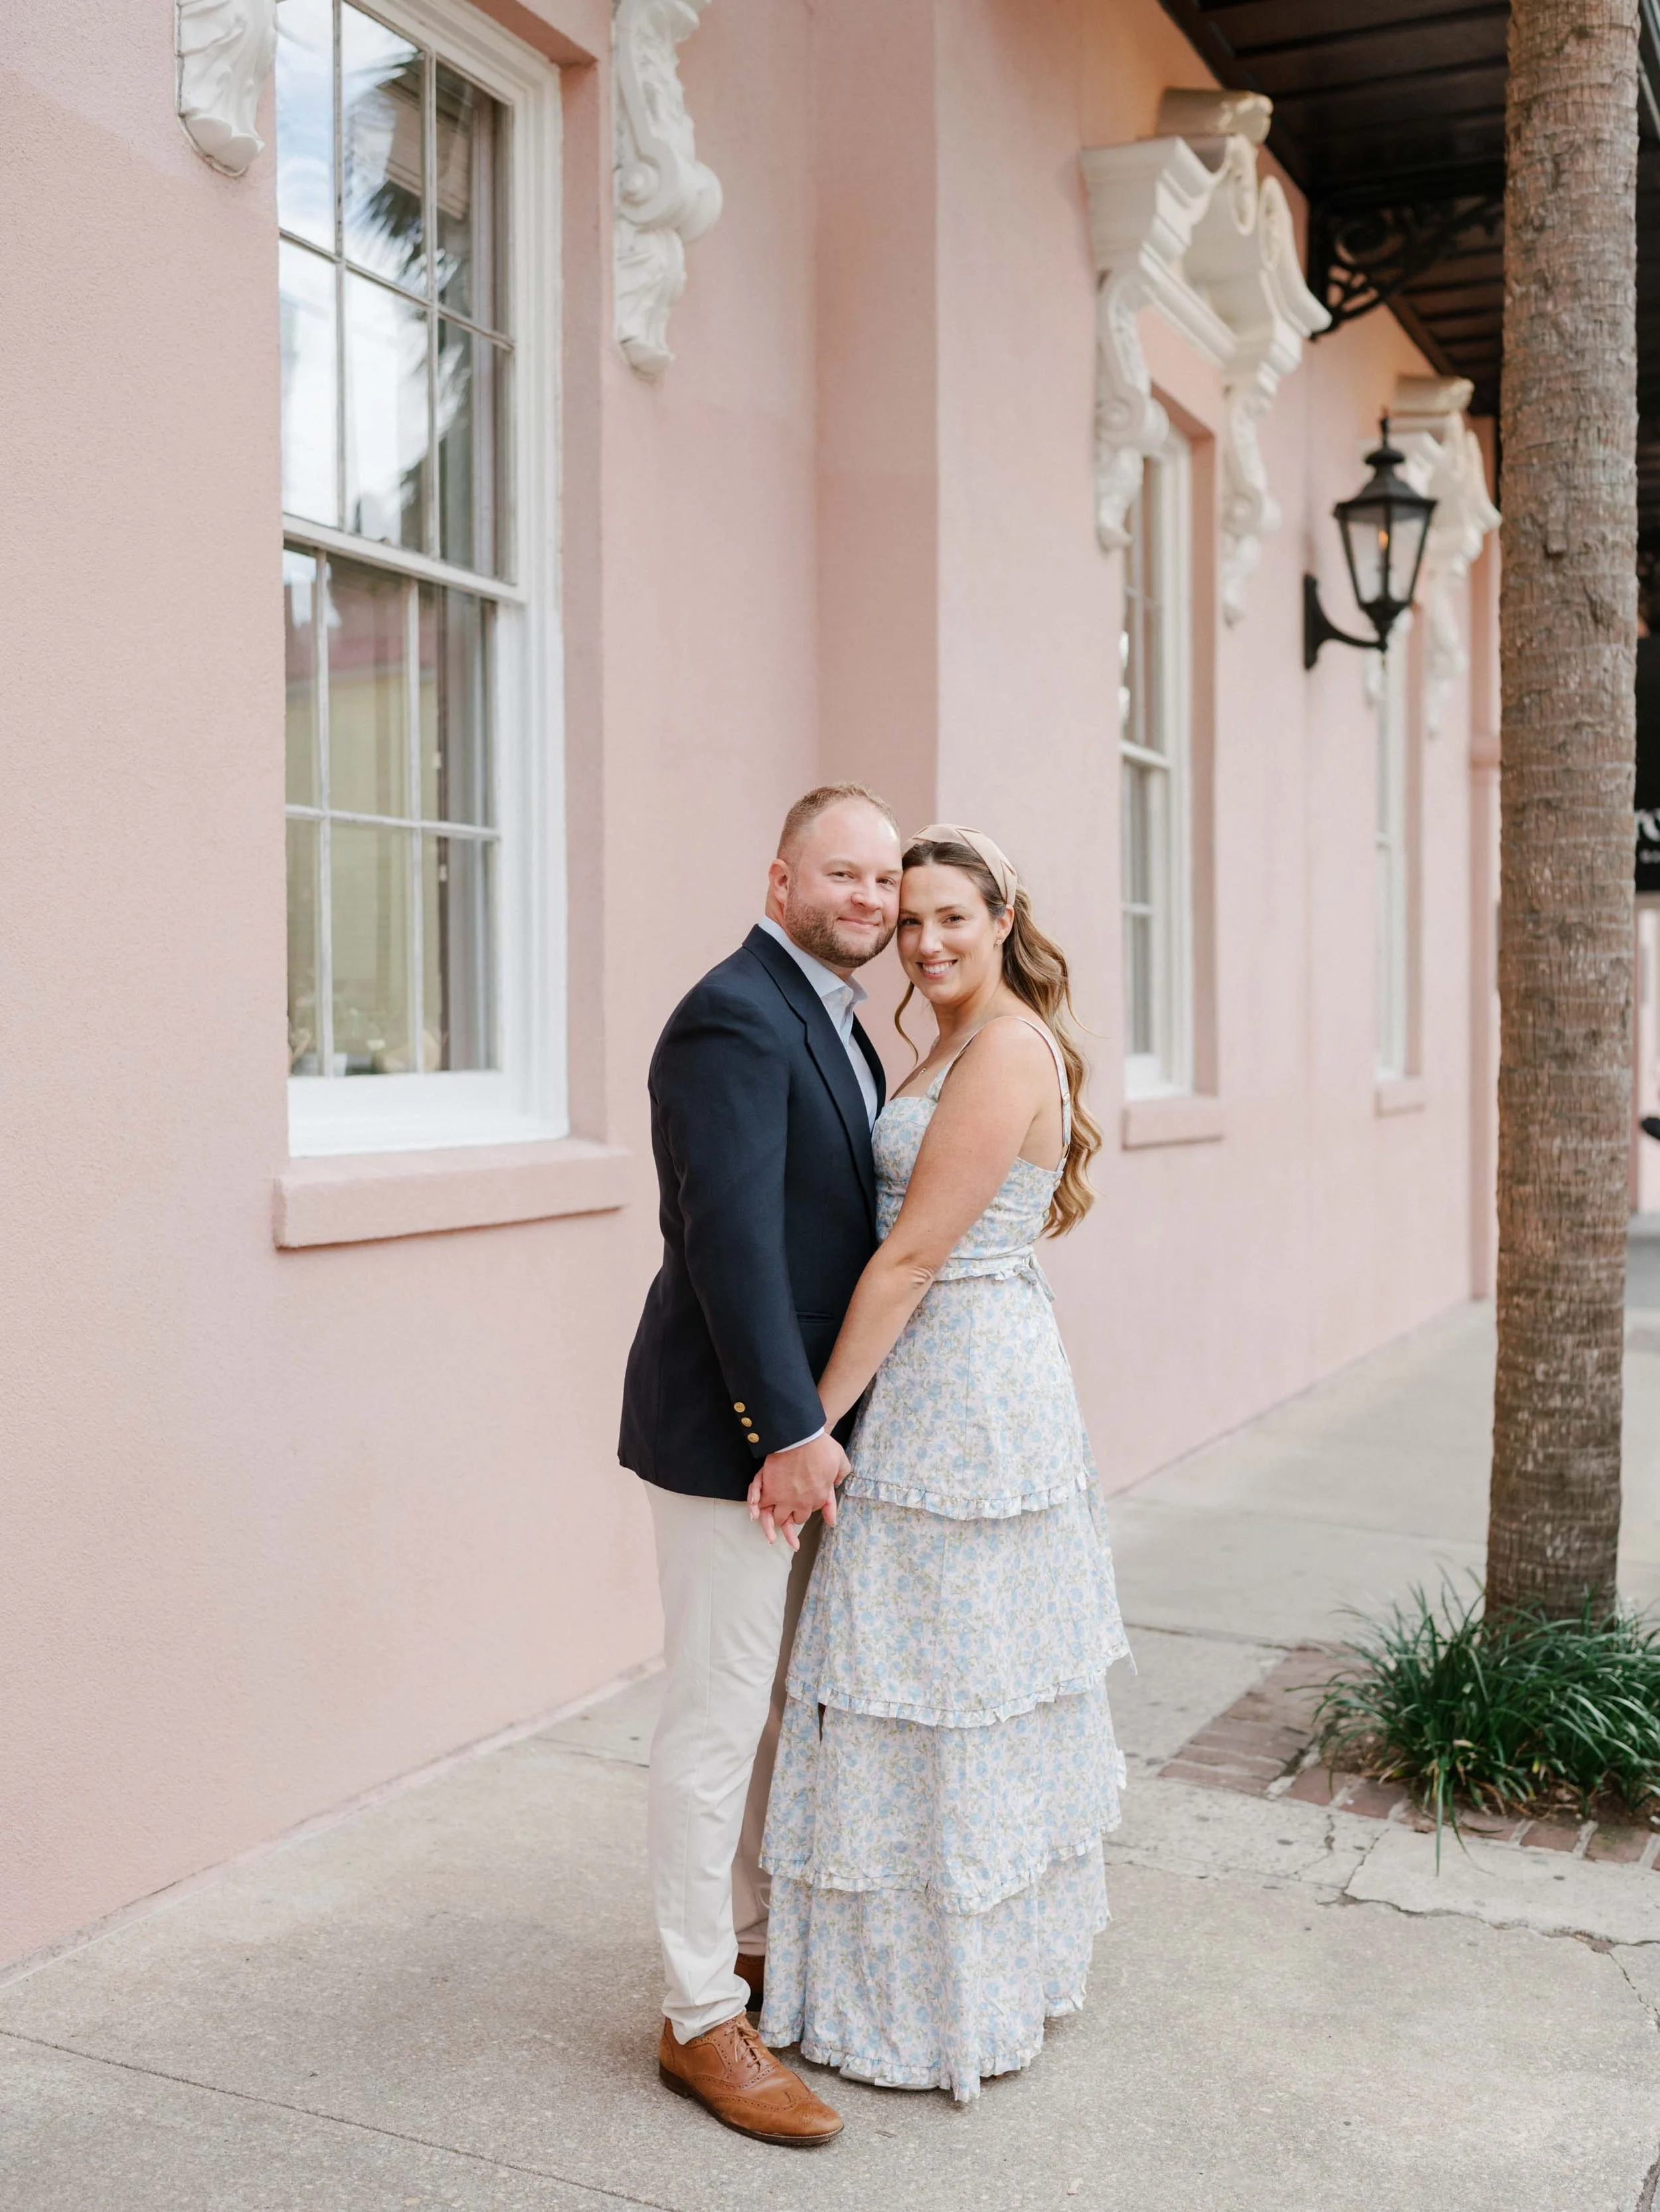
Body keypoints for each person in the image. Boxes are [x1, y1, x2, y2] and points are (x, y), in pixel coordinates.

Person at [752, 825, 1130, 2101]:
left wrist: (804, 1428)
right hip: (940, 1370)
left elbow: (910, 1256)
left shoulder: (1007, 1045)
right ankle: (896, 1968)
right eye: (909, 921)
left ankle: (950, 1997)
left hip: (961, 1382)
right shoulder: (944, 1041)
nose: (923, 940)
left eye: (950, 917)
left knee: (949, 1684)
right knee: (911, 1677)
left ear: (1002, 914)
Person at [618, 784, 903, 2148]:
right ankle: (692, 2019)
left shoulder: (837, 1023)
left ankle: (739, 1949)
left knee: (773, 1713)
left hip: (799, 1435)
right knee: (714, 1719)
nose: (867, 900)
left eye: (883, 881)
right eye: (841, 874)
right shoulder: (735, 1012)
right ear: (779, 876)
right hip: (732, 1435)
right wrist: (789, 1434)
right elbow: (725, 1240)